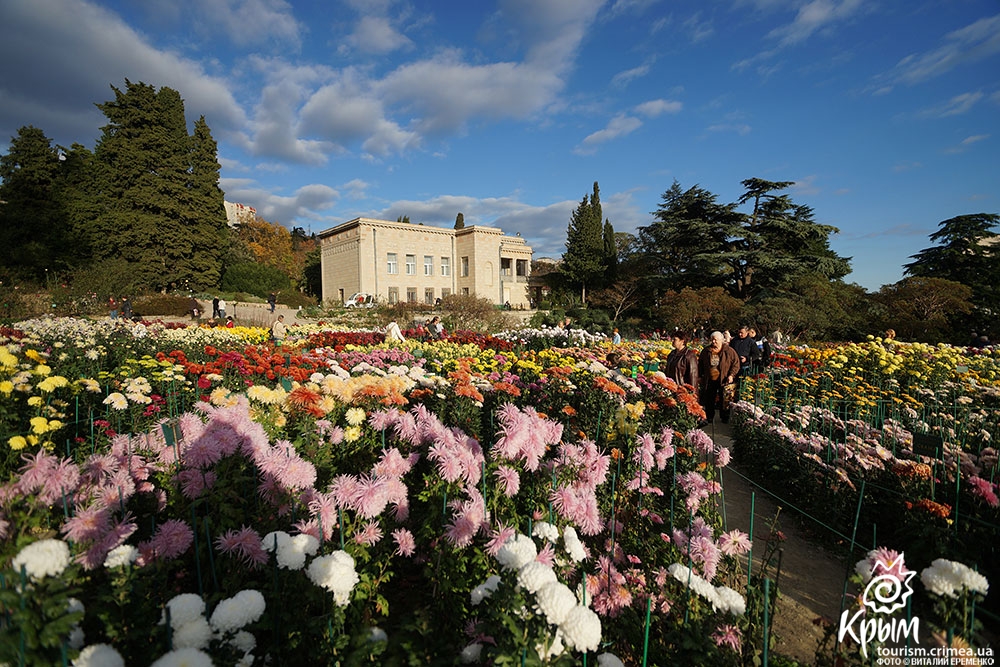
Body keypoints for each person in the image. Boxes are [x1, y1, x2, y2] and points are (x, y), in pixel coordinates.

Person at [697, 331, 740, 425]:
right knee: (709, 398)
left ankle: (724, 417)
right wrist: (700, 376)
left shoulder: (729, 351)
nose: (713, 342)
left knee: (724, 399)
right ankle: (709, 417)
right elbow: (700, 364)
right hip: (710, 379)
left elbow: (736, 364)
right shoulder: (706, 351)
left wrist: (731, 375)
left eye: (715, 340)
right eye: (712, 339)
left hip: (723, 379)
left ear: (721, 340)